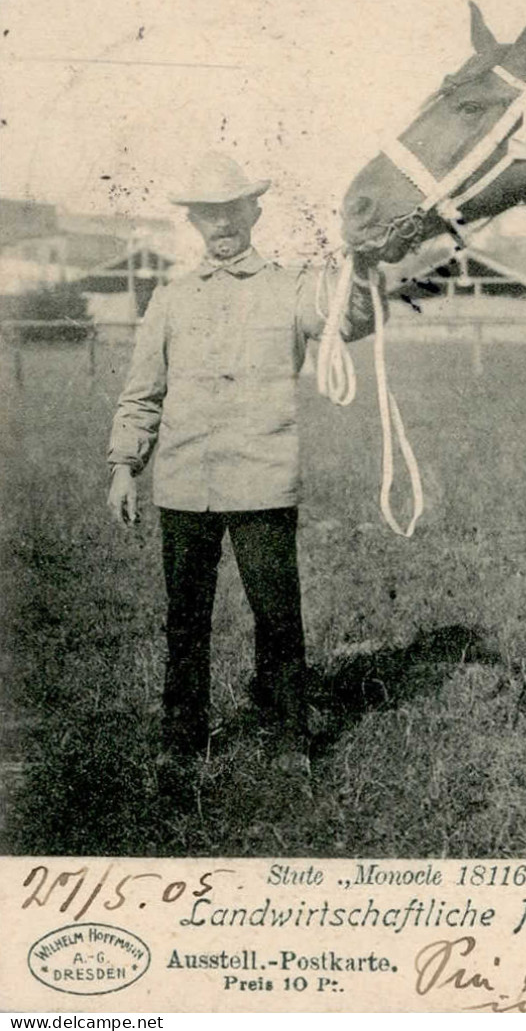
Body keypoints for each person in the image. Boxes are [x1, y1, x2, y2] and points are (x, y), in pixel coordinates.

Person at [107, 152, 376, 770]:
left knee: (278, 618)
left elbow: (351, 321)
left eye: (230, 211)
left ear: (252, 211)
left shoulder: (291, 287)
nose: (221, 224)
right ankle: (181, 743)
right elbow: (142, 392)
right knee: (185, 622)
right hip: (184, 482)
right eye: (208, 215)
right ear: (194, 222)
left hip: (262, 481)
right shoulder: (170, 299)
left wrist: (364, 265)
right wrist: (125, 464)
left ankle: (286, 743)